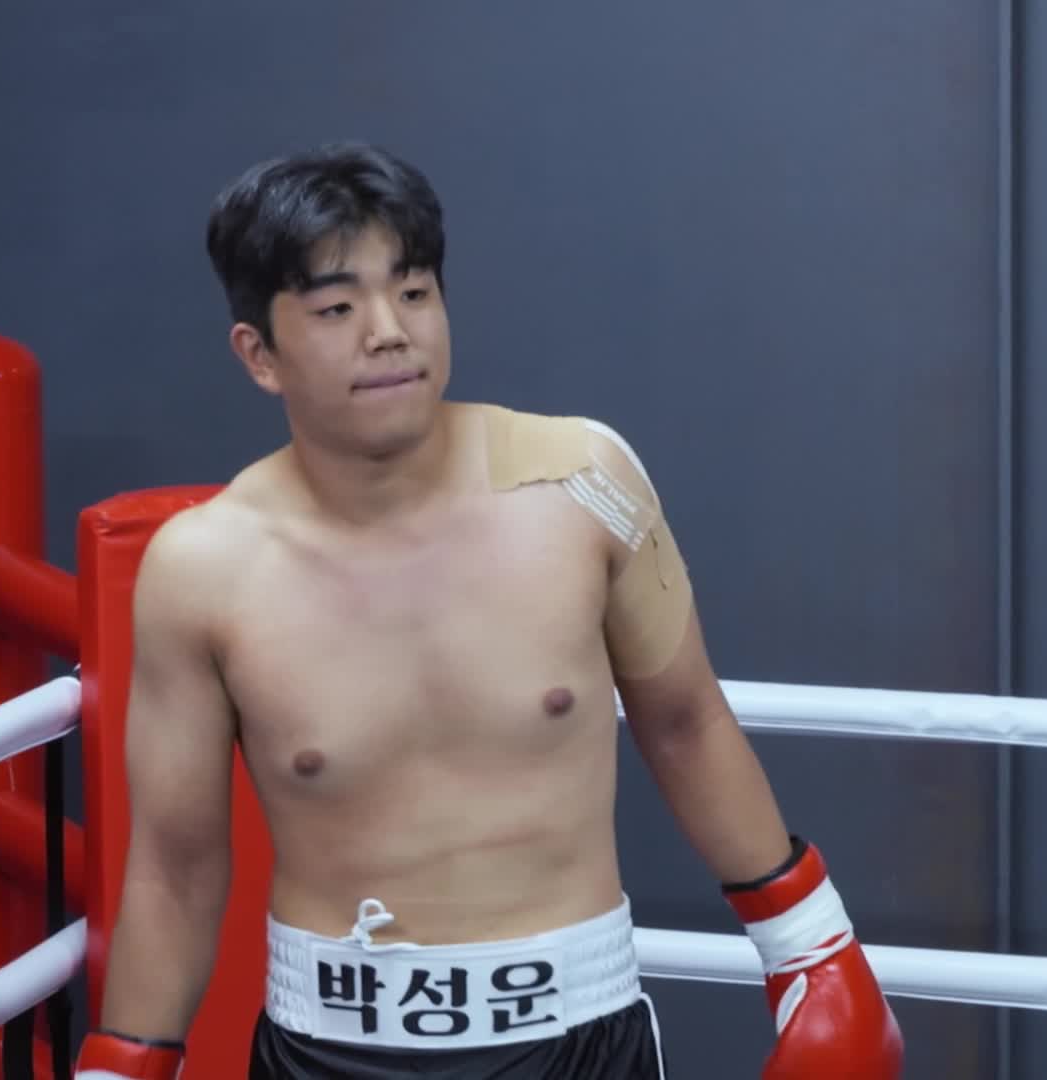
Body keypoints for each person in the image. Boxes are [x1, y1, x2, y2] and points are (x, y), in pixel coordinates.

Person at [72, 142, 904, 1079]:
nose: (389, 332)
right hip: (328, 1048)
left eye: (414, 291)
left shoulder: (582, 484)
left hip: (577, 1039)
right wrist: (120, 1069)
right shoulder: (204, 568)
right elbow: (175, 864)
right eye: (338, 308)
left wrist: (812, 949)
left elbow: (686, 721)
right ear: (259, 354)